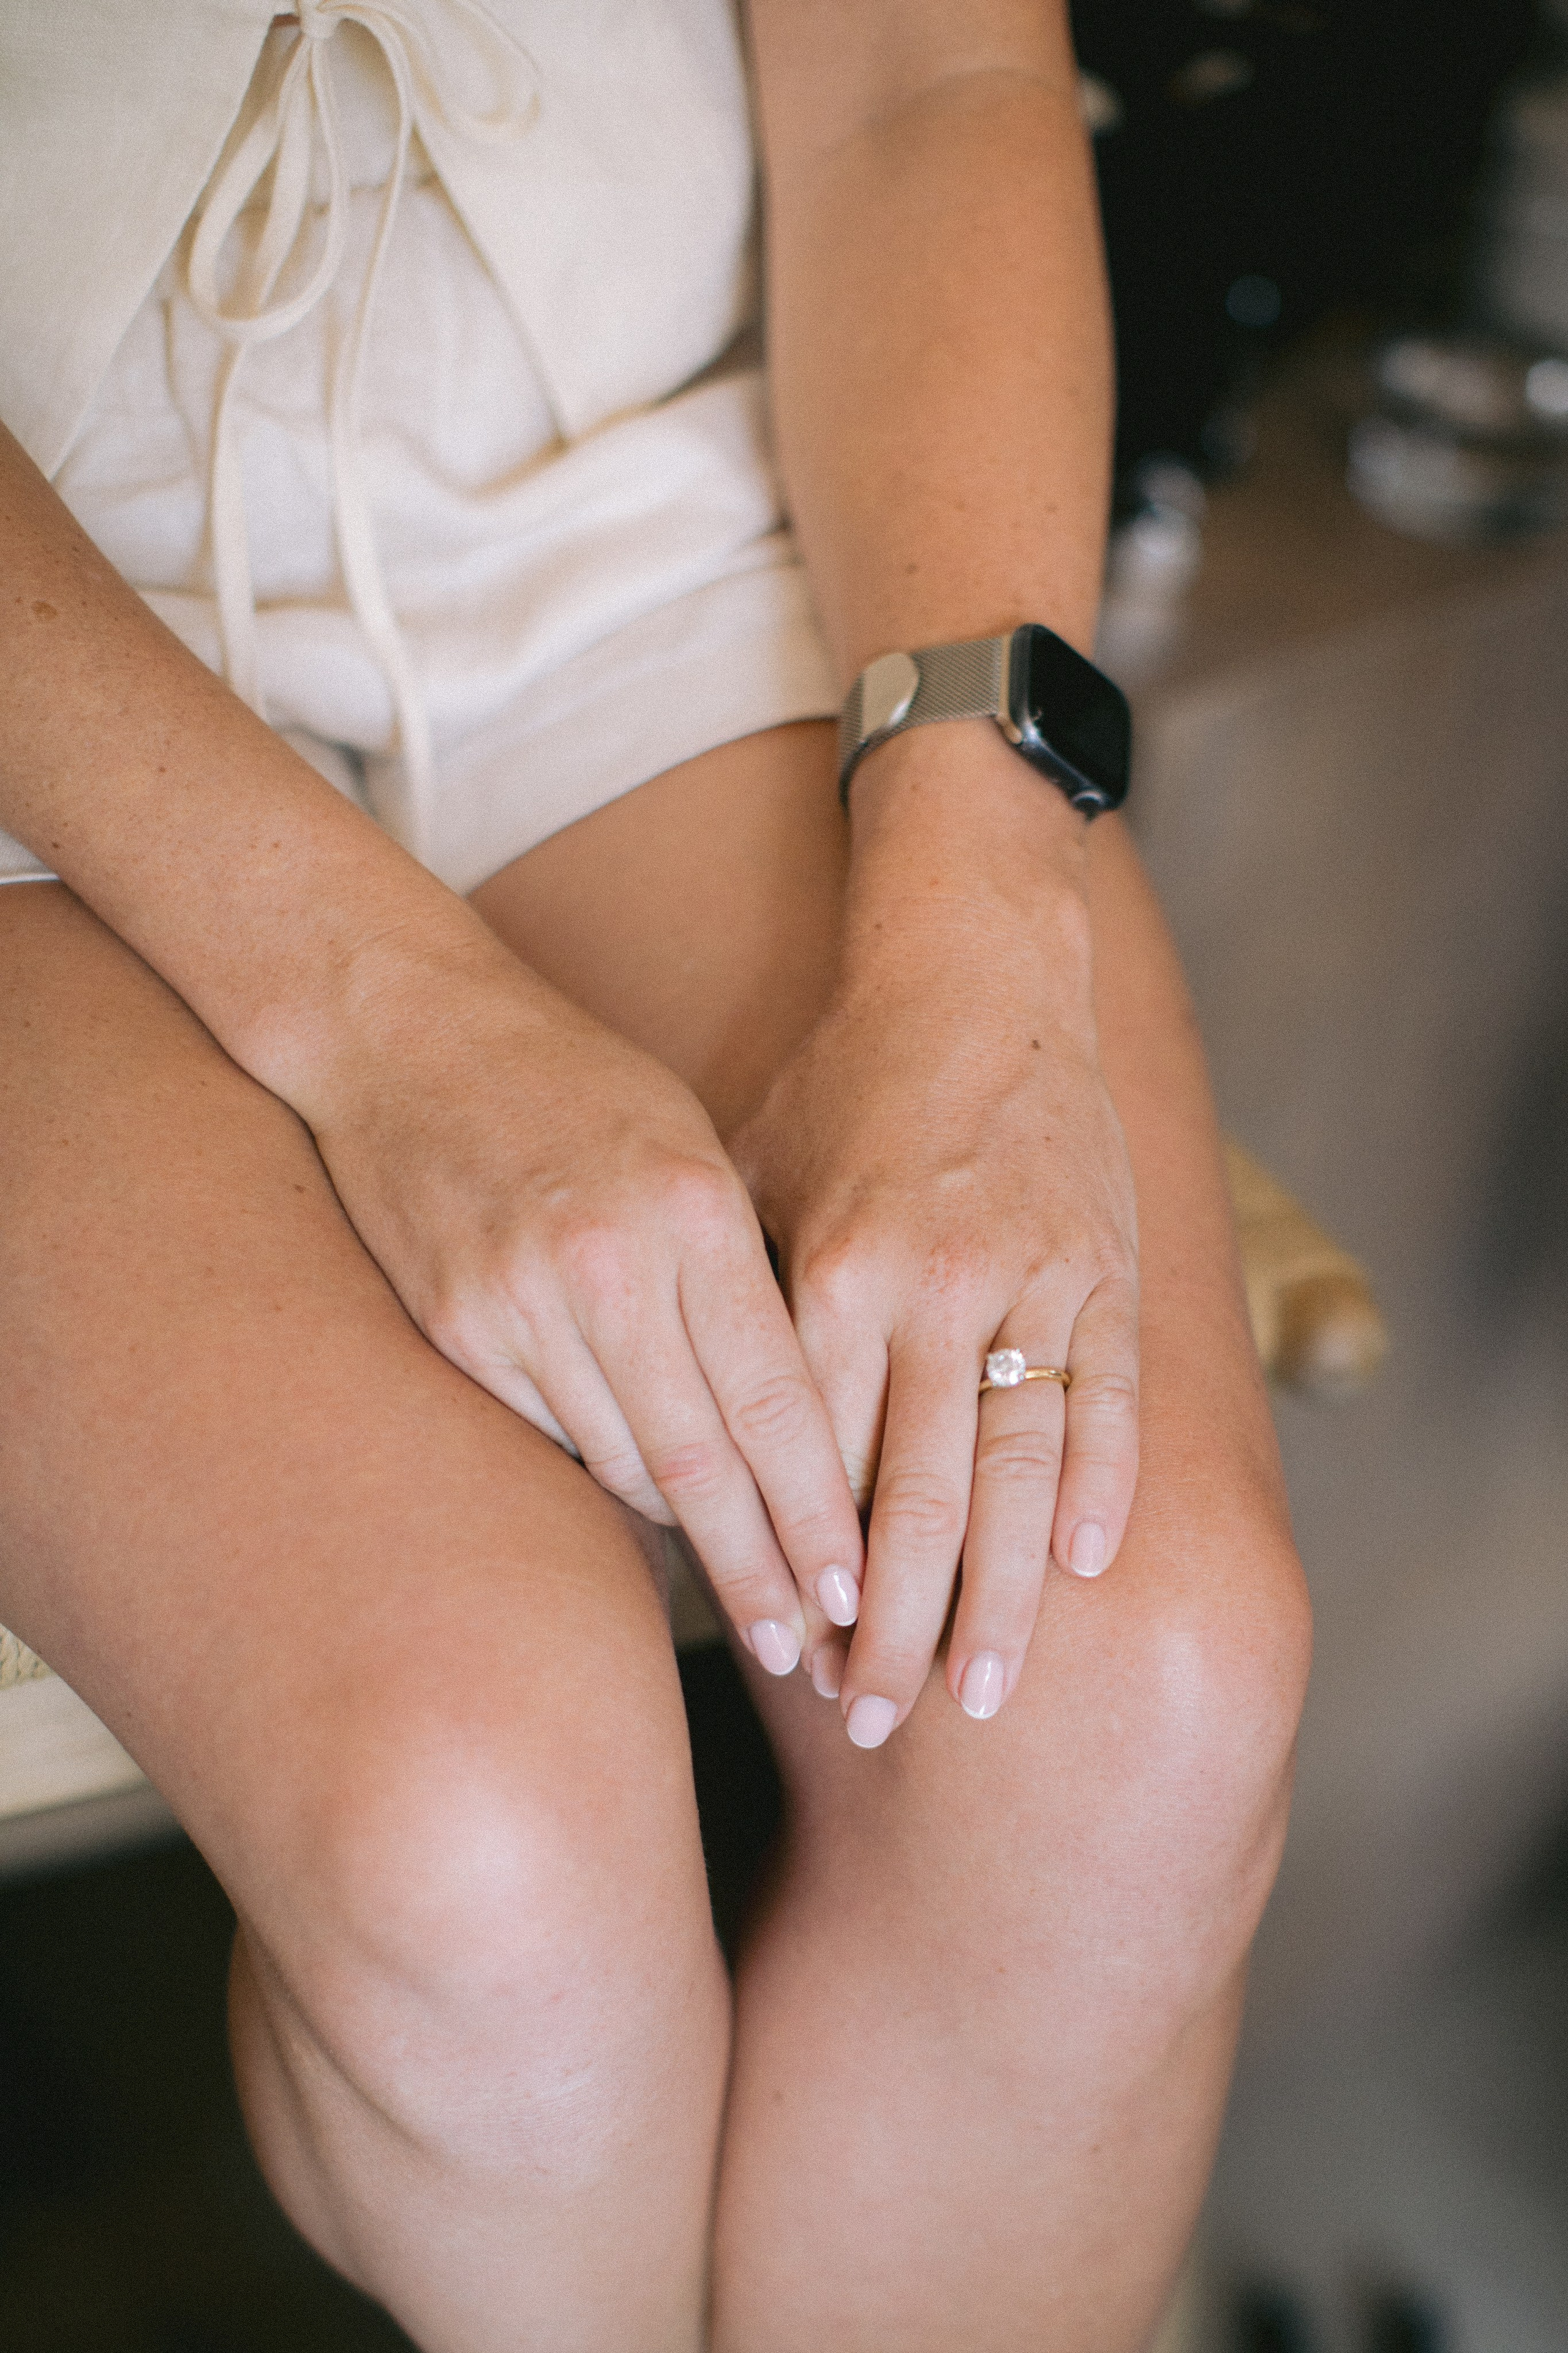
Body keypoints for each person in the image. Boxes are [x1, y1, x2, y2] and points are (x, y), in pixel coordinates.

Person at [0, 1, 1310, 2344]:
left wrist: (974, 923)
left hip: (660, 514)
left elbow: (928, 80)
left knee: (1136, 1699)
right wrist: (387, 1017)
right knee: (474, 1837)